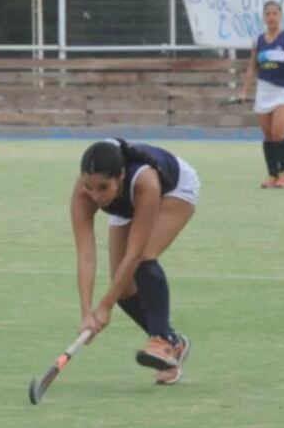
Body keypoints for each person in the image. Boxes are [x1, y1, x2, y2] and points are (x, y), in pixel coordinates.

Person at [72, 138, 199, 385]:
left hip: (175, 189)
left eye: (102, 187)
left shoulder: (145, 181)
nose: (95, 196)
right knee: (124, 289)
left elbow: (135, 252)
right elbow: (85, 254)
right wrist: (87, 311)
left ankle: (164, 341)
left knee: (143, 257)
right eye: (89, 187)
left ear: (119, 176)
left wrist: (105, 306)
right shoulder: (84, 191)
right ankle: (172, 344)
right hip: (125, 204)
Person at [240, 0, 284, 188]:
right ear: (264, 17)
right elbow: (251, 67)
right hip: (264, 92)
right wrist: (245, 90)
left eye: (275, 13)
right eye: (268, 14)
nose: (271, 17)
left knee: (278, 132)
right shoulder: (258, 41)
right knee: (268, 135)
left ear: (280, 16)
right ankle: (272, 174)